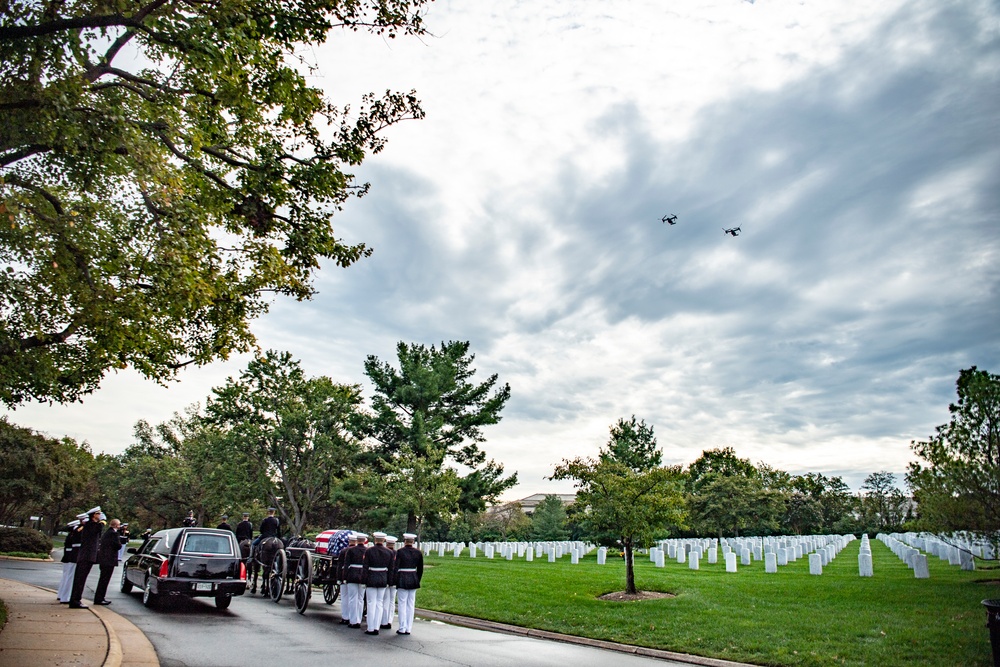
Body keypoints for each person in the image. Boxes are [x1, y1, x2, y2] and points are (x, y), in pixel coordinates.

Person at [69, 507, 104, 609]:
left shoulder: (92, 525)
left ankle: (76, 600)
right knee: (80, 580)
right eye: (99, 513)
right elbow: (98, 529)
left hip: (87, 556)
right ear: (94, 515)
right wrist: (102, 522)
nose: (100, 515)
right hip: (85, 556)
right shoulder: (90, 525)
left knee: (81, 580)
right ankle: (75, 600)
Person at [362, 532, 393, 635]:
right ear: (384, 540)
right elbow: (391, 569)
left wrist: (363, 581)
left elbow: (365, 567)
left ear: (375, 539)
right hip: (383, 578)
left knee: (371, 603)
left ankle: (370, 628)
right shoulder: (389, 552)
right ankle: (376, 627)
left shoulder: (369, 551)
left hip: (371, 577)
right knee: (379, 603)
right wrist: (389, 581)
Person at [393, 533, 423, 635]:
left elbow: (396, 567)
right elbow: (420, 569)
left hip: (402, 577)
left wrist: (395, 579)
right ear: (413, 542)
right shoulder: (418, 553)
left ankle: (402, 627)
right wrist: (417, 579)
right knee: (411, 604)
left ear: (405, 541)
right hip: (413, 577)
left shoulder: (400, 552)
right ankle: (409, 628)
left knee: (402, 604)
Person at [93, 518, 122, 605]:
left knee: (103, 579)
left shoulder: (107, 533)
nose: (120, 526)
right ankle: (100, 598)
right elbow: (118, 545)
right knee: (104, 580)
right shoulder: (114, 534)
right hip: (109, 560)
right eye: (119, 524)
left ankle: (100, 597)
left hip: (104, 560)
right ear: (116, 525)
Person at [342, 532, 366, 628]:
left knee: (352, 599)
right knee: (360, 599)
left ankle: (352, 620)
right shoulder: (367, 550)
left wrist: (344, 577)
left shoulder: (350, 551)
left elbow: (346, 565)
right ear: (364, 541)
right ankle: (358, 620)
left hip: (352, 575)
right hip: (362, 576)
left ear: (357, 540)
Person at [57, 520, 82, 603]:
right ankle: (65, 597)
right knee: (70, 578)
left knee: (66, 577)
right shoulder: (75, 535)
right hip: (72, 558)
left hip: (68, 557)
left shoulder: (71, 535)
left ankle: (61, 595)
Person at [380, 536, 398, 630]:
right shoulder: (397, 553)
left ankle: (384, 620)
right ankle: (389, 620)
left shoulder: (385, 553)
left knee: (385, 601)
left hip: (386, 579)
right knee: (392, 601)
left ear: (386, 543)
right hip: (395, 579)